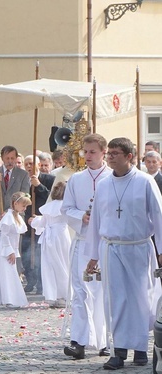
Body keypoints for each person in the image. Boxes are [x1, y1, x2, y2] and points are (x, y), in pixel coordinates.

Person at [86, 137, 162, 370]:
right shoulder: (105, 184)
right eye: (109, 153)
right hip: (111, 248)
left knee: (140, 298)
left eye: (115, 153)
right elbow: (96, 221)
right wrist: (92, 256)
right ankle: (118, 350)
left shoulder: (145, 182)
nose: (110, 157)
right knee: (115, 298)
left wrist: (161, 251)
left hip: (138, 246)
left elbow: (159, 217)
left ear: (129, 157)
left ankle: (140, 349)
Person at [60, 133, 112, 360]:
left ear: (103, 152)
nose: (88, 156)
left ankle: (106, 341)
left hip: (105, 245)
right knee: (80, 292)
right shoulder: (76, 179)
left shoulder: (112, 178)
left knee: (103, 292)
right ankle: (79, 341)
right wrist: (82, 216)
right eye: (85, 152)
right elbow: (65, 209)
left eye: (92, 152)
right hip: (82, 243)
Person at [0, 192, 32, 308]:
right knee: (6, 272)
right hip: (4, 248)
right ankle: (8, 298)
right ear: (16, 203)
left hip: (10, 247)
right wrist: (10, 251)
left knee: (10, 271)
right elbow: (4, 236)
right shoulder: (8, 217)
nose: (25, 208)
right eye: (23, 206)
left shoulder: (16, 217)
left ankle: (10, 297)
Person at [0, 146, 30, 257]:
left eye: (12, 158)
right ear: (2, 158)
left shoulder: (22, 175)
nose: (10, 161)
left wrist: (9, 212)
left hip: (14, 220)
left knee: (12, 254)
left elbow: (26, 197)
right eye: (7, 158)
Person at [29, 182, 71, 308]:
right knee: (63, 264)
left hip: (49, 237)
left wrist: (34, 221)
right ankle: (63, 295)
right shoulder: (66, 206)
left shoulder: (49, 207)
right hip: (61, 236)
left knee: (50, 265)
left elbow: (43, 222)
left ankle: (52, 295)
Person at [21, 158, 55, 295]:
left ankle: (41, 283)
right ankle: (30, 280)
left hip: (42, 220)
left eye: (32, 164)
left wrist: (39, 185)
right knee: (26, 253)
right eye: (27, 164)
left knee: (40, 253)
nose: (29, 166)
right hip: (27, 221)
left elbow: (52, 197)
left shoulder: (49, 178)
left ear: (39, 165)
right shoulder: (23, 179)